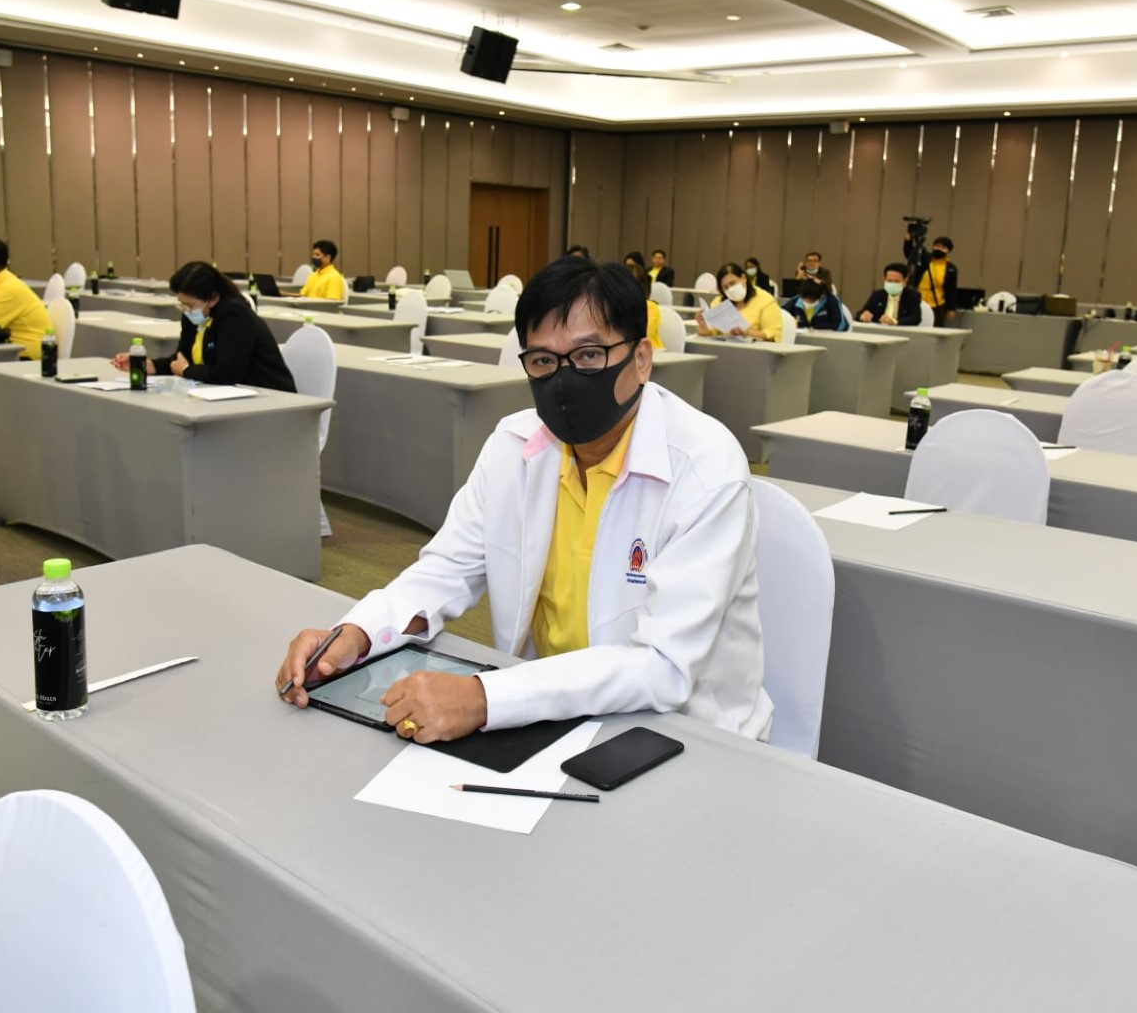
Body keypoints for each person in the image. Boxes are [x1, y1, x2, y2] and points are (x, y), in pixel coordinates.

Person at [275, 256, 772, 743]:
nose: (564, 377)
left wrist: (486, 697)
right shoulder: (513, 447)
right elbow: (445, 571)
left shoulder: (705, 469)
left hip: (685, 733)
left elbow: (663, 667)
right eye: (543, 361)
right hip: (546, 712)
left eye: (589, 355)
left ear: (641, 359)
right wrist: (356, 634)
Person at [113, 261, 296, 391]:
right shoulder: (193, 315)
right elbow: (182, 359)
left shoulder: (234, 315)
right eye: (182, 303)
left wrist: (187, 371)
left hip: (268, 395)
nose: (186, 310)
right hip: (229, 395)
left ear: (213, 298)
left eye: (190, 304)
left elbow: (227, 373)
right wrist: (149, 365)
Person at [695, 262, 782, 342]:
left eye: (733, 283)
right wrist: (703, 327)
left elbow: (773, 335)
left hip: (755, 350)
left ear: (743, 278)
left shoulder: (765, 300)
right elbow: (713, 333)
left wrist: (747, 333)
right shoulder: (719, 302)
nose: (730, 289)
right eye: (725, 287)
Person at [909, 236, 959, 326]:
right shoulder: (924, 260)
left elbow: (951, 290)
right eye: (937, 246)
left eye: (943, 247)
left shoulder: (951, 268)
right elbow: (910, 253)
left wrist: (951, 308)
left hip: (937, 303)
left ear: (948, 251)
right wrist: (908, 240)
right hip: (919, 300)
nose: (939, 249)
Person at [858, 263, 923, 327]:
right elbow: (860, 314)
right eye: (889, 281)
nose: (893, 284)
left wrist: (894, 321)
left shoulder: (913, 296)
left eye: (897, 281)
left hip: (901, 331)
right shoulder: (877, 295)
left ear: (905, 281)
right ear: (884, 279)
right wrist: (863, 316)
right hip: (879, 331)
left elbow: (915, 319)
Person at [782, 278, 847, 331]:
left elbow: (841, 325)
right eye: (804, 299)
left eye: (811, 301)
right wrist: (790, 321)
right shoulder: (795, 301)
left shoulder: (831, 302)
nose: (807, 303)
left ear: (820, 297)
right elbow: (781, 315)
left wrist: (814, 326)